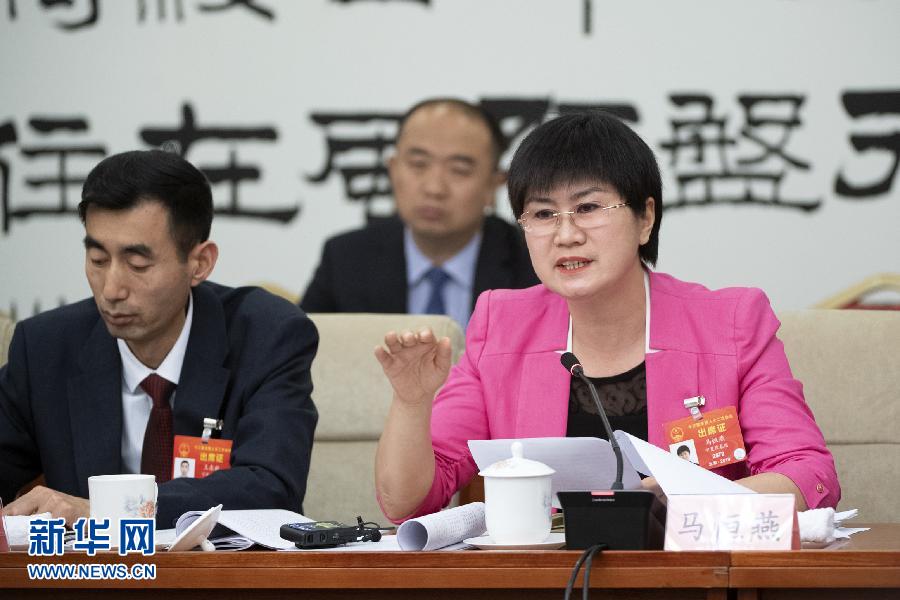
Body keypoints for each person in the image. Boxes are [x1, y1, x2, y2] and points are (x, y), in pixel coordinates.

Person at [374, 112, 840, 522]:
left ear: (645, 218)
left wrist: (687, 500)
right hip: (546, 578)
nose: (566, 235)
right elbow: (406, 502)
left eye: (589, 208)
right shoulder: (502, 324)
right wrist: (412, 403)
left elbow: (807, 475)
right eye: (543, 214)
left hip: (692, 573)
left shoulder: (730, 322)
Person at [0, 150, 319, 527]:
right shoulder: (45, 348)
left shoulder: (267, 336)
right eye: (98, 260)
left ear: (199, 263)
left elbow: (272, 487)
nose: (112, 290)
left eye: (138, 265)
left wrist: (106, 511)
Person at [300, 98, 538, 330]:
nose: (434, 188)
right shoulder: (347, 258)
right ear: (393, 170)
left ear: (493, 185)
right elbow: (300, 349)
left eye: (459, 170)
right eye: (418, 164)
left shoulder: (533, 265)